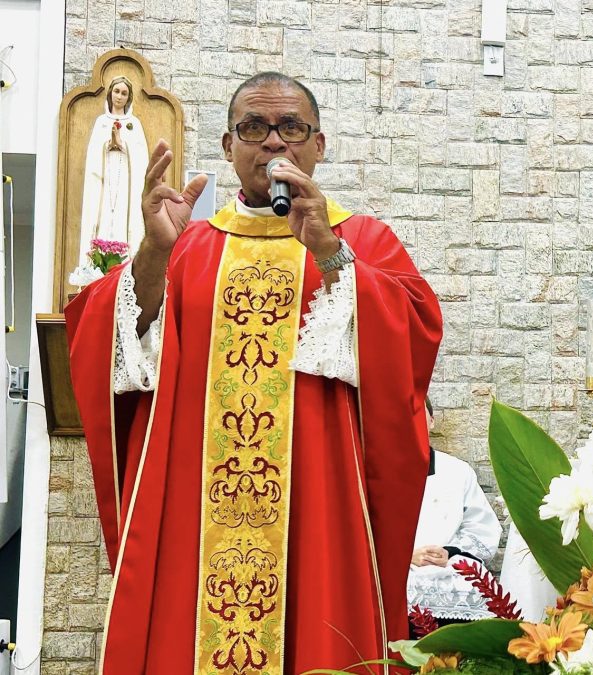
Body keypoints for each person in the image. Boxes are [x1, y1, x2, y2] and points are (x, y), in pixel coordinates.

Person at [65, 72, 443, 674]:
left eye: (291, 127)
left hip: (318, 516)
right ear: (227, 145)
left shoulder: (361, 241)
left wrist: (330, 256)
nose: (274, 143)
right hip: (196, 522)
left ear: (319, 145)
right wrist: (153, 254)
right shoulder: (186, 247)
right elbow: (105, 345)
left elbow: (415, 336)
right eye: (254, 128)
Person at [408, 399, 502, 630]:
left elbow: (483, 529)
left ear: (431, 421)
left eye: (420, 416)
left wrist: (448, 553)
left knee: (480, 589)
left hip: (447, 564)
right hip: (399, 568)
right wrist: (405, 557)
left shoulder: (457, 472)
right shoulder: (375, 472)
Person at [72, 75, 149, 283]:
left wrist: (123, 145)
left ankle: (126, 267)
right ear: (110, 93)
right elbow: (93, 156)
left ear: (129, 97)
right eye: (117, 92)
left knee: (125, 219)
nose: (119, 97)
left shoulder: (134, 124)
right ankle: (96, 267)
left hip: (125, 184)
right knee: (104, 217)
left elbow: (142, 160)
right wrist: (108, 144)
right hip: (104, 185)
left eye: (124, 93)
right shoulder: (101, 123)